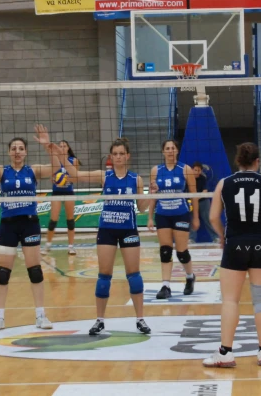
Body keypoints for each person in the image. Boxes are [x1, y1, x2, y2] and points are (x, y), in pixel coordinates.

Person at [203, 143, 261, 368]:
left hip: (235, 246)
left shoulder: (224, 183)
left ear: (237, 161)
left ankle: (226, 353)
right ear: (257, 161)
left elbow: (213, 217)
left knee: (230, 300)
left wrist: (222, 237)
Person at [63, 138, 152, 336]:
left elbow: (142, 207)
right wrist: (62, 157)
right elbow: (76, 174)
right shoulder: (105, 176)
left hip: (128, 229)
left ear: (127, 156)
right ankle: (100, 320)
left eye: (122, 153)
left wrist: (151, 194)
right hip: (107, 230)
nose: (118, 157)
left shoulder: (136, 180)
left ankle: (140, 319)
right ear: (111, 157)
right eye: (115, 154)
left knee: (134, 276)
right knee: (104, 276)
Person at [0, 125, 56, 331]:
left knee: (35, 270)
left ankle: (40, 315)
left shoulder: (33, 170)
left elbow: (56, 168)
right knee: (3, 272)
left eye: (20, 148)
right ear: (9, 152)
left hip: (29, 223)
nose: (17, 151)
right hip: (8, 225)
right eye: (14, 148)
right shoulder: (2, 171)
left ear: (25, 152)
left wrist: (48, 146)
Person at [148, 140, 199, 299]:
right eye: (167, 149)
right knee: (165, 250)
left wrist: (195, 217)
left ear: (177, 151)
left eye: (173, 148)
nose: (170, 151)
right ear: (163, 152)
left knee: (182, 252)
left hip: (180, 213)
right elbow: (153, 195)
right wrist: (149, 217)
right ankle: (165, 286)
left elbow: (194, 195)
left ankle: (190, 277)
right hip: (162, 214)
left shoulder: (185, 169)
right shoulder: (156, 170)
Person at [43, 140, 79, 256]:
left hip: (68, 192)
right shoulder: (56, 160)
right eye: (61, 146)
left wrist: (65, 179)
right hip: (57, 192)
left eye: (64, 146)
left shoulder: (73, 161)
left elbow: (76, 178)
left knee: (70, 220)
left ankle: (71, 247)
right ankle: (47, 246)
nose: (62, 148)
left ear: (68, 148)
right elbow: (51, 177)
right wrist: (55, 179)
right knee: (53, 219)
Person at [190, 162, 216, 243]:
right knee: (191, 219)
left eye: (199, 170)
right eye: (195, 170)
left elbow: (205, 191)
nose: (197, 172)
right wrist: (193, 199)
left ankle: (215, 237)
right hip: (191, 201)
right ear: (192, 170)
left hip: (203, 201)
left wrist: (196, 198)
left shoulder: (203, 178)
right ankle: (191, 239)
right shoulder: (188, 178)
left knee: (208, 219)